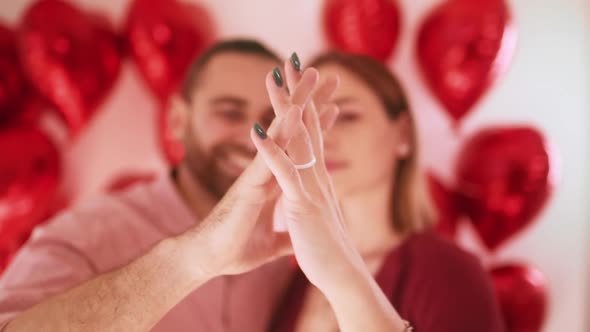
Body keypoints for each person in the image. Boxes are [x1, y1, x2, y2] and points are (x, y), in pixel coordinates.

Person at [0, 39, 336, 331]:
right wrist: (195, 259)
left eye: (269, 120)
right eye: (229, 113)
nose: (252, 140)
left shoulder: (284, 253)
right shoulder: (87, 233)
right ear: (177, 120)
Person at [268, 52, 506, 332]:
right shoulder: (295, 279)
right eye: (311, 123)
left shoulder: (450, 273)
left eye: (346, 116)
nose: (323, 137)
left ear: (403, 134)